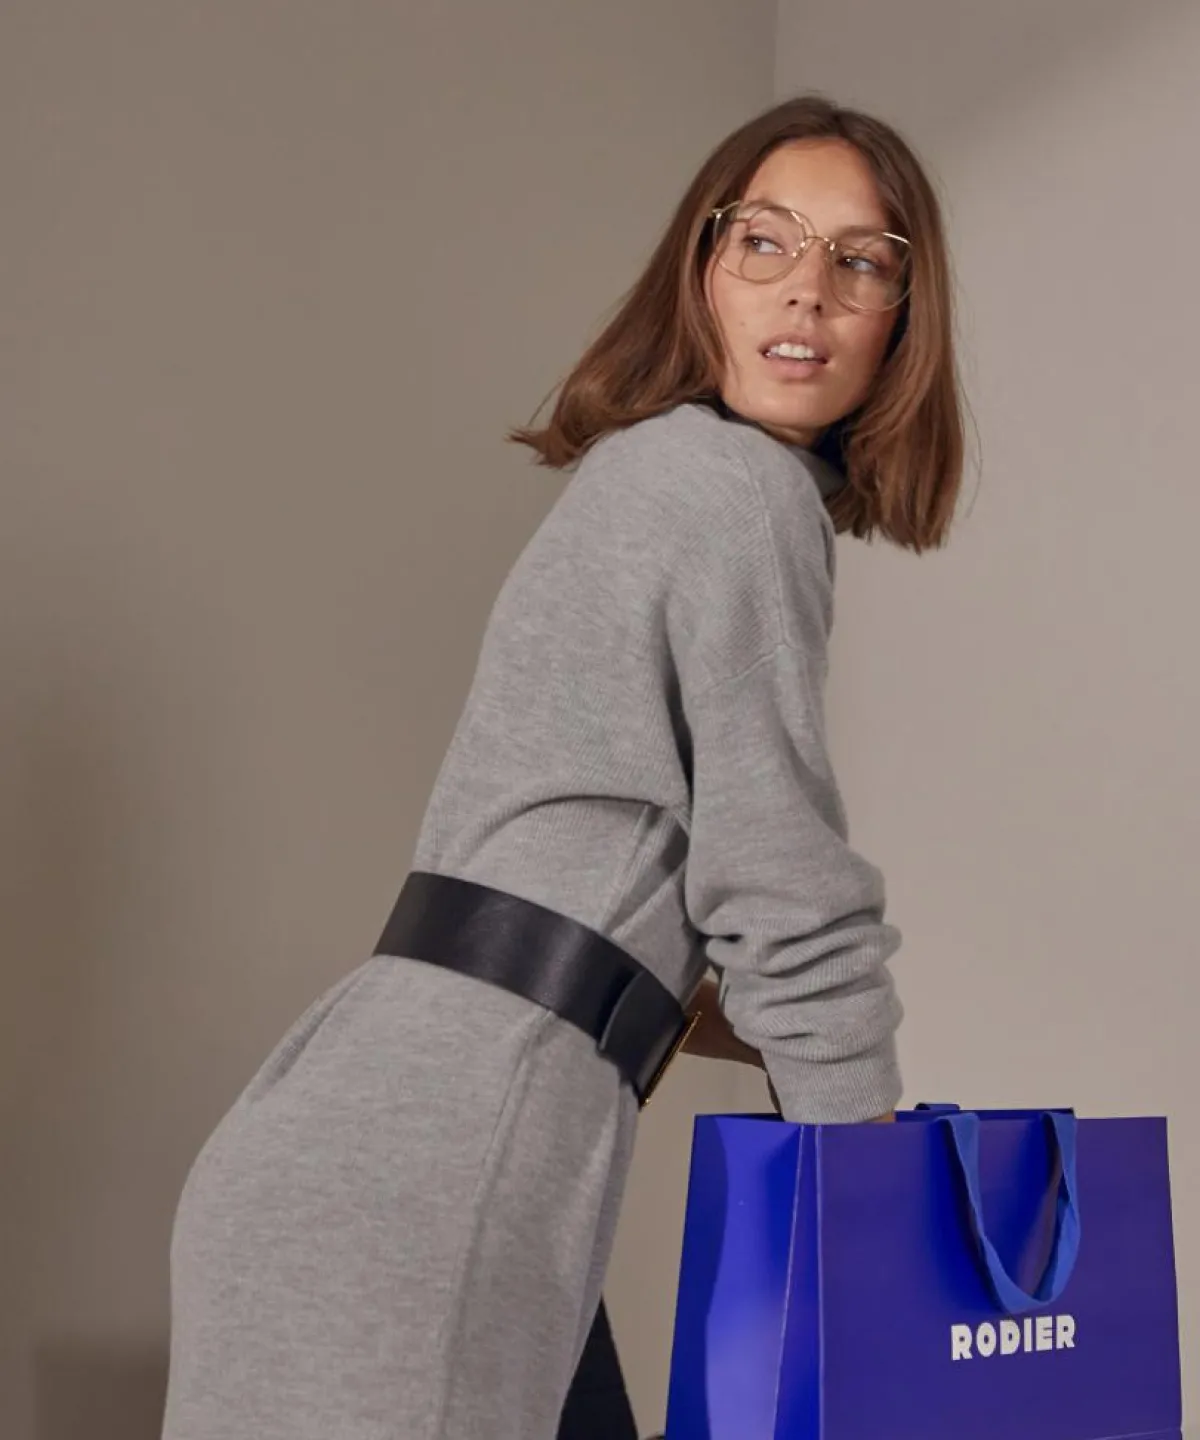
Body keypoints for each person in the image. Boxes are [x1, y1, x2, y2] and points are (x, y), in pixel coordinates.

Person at [159, 94, 963, 1440]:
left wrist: (783, 1033)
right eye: (765, 241)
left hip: (368, 1119)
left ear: (903, 320)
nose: (808, 292)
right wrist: (877, 1199)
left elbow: (628, 903)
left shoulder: (650, 475)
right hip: (443, 1161)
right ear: (701, 268)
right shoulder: (736, 491)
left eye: (861, 261)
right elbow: (779, 886)